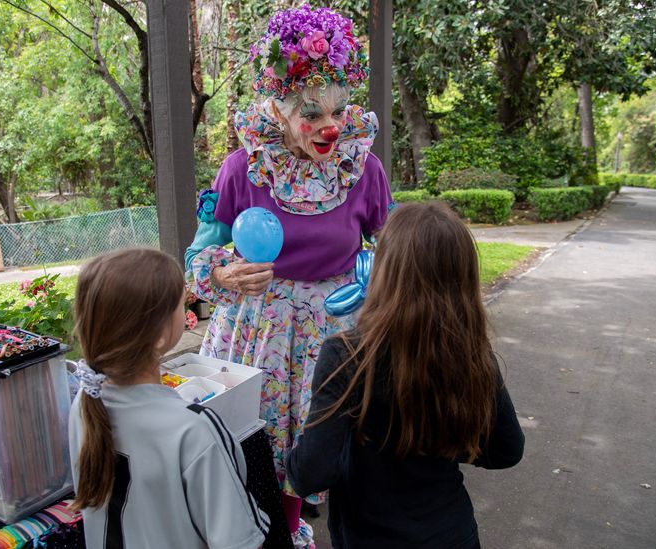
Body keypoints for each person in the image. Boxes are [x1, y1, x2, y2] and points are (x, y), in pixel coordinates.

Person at [185, 6, 393, 546]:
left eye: (338, 109)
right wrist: (228, 275)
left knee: (326, 445)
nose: (329, 125)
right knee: (256, 447)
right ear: (277, 109)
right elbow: (199, 258)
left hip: (334, 332)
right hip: (256, 331)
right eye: (310, 111)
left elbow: (394, 247)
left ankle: (299, 522)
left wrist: (382, 288)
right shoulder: (241, 169)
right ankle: (265, 531)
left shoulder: (362, 167)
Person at [286, 202, 525, 548]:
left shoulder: (347, 354)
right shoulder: (473, 353)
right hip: (453, 533)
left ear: (385, 270)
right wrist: (447, 447)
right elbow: (506, 450)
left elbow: (311, 473)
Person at [68, 248, 269, 548]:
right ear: (160, 335)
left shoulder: (84, 400)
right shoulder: (194, 429)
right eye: (180, 301)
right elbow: (239, 540)